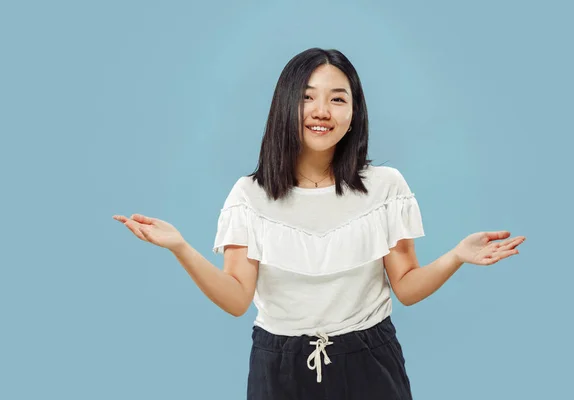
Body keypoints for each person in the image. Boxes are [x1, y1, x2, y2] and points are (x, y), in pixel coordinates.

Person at [113, 48, 526, 400]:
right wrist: (181, 247)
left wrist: (457, 256)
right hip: (279, 367)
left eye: (338, 99)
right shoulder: (249, 195)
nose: (322, 112)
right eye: (308, 97)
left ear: (354, 111)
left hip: (370, 358)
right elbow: (238, 299)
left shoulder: (385, 186)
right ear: (285, 104)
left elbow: (407, 287)